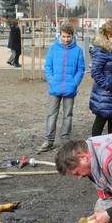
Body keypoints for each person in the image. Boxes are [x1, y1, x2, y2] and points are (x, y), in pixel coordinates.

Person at [37, 23, 85, 153]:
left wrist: (74, 83)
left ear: (72, 36)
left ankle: (65, 140)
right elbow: (48, 66)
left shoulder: (78, 51)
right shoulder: (53, 48)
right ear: (60, 35)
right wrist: (51, 80)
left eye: (68, 37)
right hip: (55, 87)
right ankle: (48, 140)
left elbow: (81, 69)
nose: (66, 39)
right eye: (63, 36)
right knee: (51, 114)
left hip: (70, 88)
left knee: (68, 115)